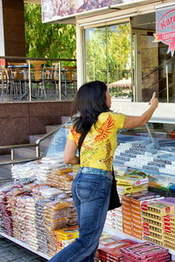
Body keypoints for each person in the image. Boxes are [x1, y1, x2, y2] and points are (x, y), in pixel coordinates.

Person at [49, 81, 158, 262]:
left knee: (89, 240)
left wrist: (88, 162)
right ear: (100, 98)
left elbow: (68, 158)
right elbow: (142, 120)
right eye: (108, 93)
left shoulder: (77, 124)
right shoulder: (109, 118)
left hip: (80, 180)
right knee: (87, 241)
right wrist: (153, 106)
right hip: (97, 182)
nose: (110, 96)